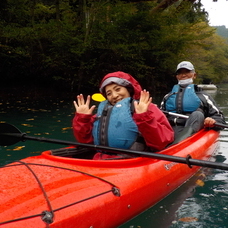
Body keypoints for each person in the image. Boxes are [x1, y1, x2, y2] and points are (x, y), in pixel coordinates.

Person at [73, 71, 174, 160]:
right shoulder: (103, 114)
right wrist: (83, 120)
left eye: (118, 89)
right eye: (109, 93)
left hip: (134, 161)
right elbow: (86, 142)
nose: (115, 95)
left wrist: (144, 117)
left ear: (128, 89)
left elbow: (161, 142)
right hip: (100, 160)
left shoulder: (147, 108)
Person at [160, 61, 226, 138]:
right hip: (169, 130)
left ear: (194, 75)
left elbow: (220, 118)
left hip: (192, 130)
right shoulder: (167, 97)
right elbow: (159, 116)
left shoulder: (204, 96)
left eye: (187, 72)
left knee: (197, 114)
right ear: (177, 76)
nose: (184, 75)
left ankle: (179, 143)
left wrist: (213, 121)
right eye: (180, 73)